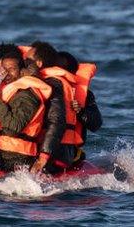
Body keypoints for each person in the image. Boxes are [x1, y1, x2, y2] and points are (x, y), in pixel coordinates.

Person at [0, 44, 54, 171]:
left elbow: (14, 127)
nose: (6, 74)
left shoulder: (28, 95)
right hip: (3, 153)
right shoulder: (10, 90)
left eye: (11, 69)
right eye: (4, 70)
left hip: (16, 158)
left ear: (22, 71)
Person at [29, 40, 83, 174]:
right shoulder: (46, 82)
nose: (23, 63)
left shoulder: (53, 84)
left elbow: (57, 121)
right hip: (58, 149)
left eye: (27, 60)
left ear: (39, 63)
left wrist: (43, 157)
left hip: (56, 153)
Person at [56, 51, 102, 165]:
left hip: (69, 153)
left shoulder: (84, 96)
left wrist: (80, 111)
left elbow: (96, 123)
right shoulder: (38, 89)